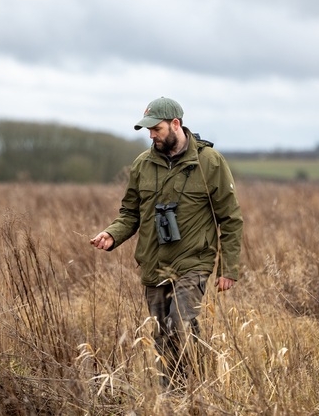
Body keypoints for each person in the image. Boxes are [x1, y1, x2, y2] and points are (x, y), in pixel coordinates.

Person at [90, 96, 243, 389]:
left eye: (156, 129)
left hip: (193, 262)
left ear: (176, 124)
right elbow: (129, 213)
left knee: (180, 324)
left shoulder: (209, 162)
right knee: (161, 333)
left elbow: (231, 218)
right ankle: (171, 394)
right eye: (148, 130)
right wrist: (112, 234)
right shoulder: (142, 164)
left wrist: (228, 267)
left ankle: (198, 386)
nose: (151, 135)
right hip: (153, 263)